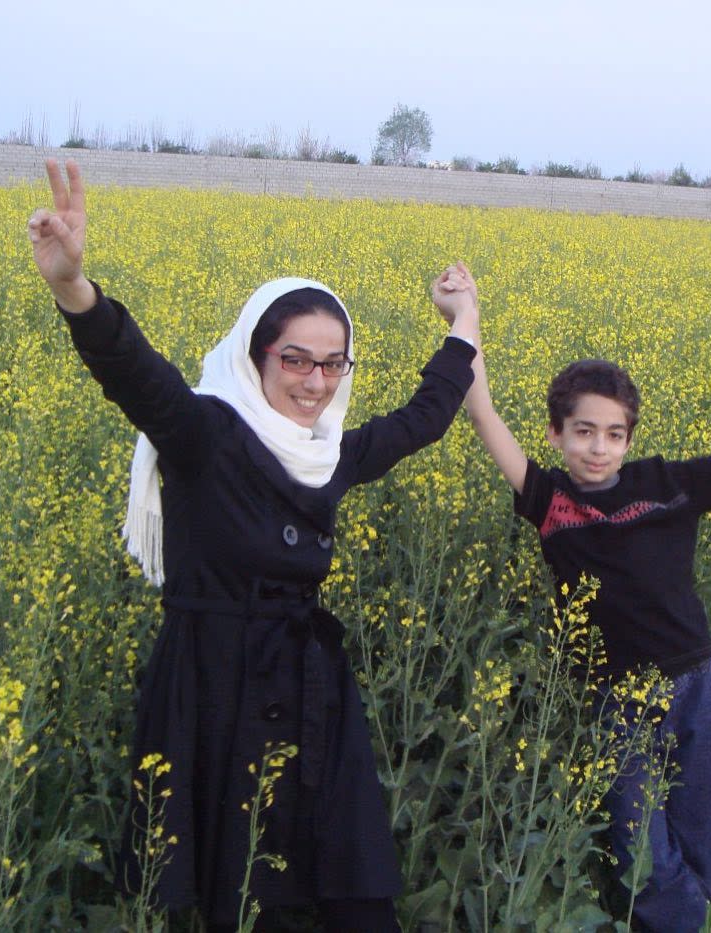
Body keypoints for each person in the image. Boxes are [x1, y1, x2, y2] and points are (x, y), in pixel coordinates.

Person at [28, 159, 480, 931]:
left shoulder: (327, 453)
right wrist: (74, 288)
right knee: (225, 892)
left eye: (332, 361)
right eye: (294, 358)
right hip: (213, 686)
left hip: (310, 690)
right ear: (255, 354)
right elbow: (132, 373)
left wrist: (462, 319)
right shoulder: (204, 434)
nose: (314, 381)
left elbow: (422, 418)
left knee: (332, 885)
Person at [431, 262, 711, 932]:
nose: (598, 447)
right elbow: (482, 412)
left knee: (692, 828)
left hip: (691, 680)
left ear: (630, 439)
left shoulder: (664, 484)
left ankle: (695, 916)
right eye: (583, 431)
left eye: (613, 434)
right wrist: (462, 317)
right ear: (556, 434)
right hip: (615, 695)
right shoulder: (549, 500)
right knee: (638, 842)